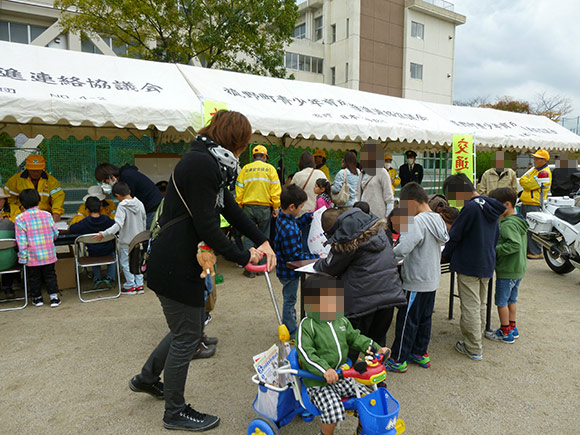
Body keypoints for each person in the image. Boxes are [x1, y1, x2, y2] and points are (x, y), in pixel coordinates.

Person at [129, 110, 276, 432]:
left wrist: (262, 240)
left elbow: (229, 208)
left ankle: (146, 378)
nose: (242, 150)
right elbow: (207, 225)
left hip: (178, 258)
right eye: (243, 143)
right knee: (188, 334)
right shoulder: (201, 164)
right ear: (235, 139)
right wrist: (242, 256)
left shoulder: (210, 162)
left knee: (187, 327)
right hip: (174, 262)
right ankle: (175, 412)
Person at [297, 274, 390, 435]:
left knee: (369, 399)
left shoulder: (341, 320)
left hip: (342, 374)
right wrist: (325, 370)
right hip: (319, 382)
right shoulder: (308, 325)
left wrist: (375, 348)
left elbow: (355, 337)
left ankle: (362, 430)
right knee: (333, 412)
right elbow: (305, 353)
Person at [314, 207, 405, 359]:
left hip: (362, 301)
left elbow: (330, 267)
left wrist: (318, 263)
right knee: (377, 343)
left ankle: (349, 378)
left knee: (353, 342)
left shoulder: (346, 239)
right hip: (389, 295)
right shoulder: (378, 231)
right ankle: (378, 379)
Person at [384, 183, 449, 373]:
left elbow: (404, 248)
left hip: (415, 280)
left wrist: (388, 256)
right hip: (431, 279)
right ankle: (420, 352)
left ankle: (398, 358)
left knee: (406, 320)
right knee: (424, 318)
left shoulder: (416, 221)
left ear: (411, 203)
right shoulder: (437, 218)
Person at [441, 174, 506, 361]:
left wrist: (446, 253)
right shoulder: (490, 205)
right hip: (486, 261)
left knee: (470, 305)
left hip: (468, 263)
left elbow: (455, 236)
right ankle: (477, 339)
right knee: (480, 304)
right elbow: (496, 236)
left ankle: (473, 347)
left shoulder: (470, 208)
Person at [274, 185, 319, 339]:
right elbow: (294, 256)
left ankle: (290, 325)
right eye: (301, 207)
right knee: (290, 301)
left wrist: (307, 217)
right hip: (289, 272)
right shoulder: (289, 229)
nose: (302, 209)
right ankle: (292, 331)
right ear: (292, 207)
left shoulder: (284, 218)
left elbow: (296, 224)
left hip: (283, 269)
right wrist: (313, 256)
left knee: (289, 299)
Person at [485, 187, 528, 343]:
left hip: (507, 270)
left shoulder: (507, 224)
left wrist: (494, 249)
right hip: (518, 268)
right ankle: (512, 327)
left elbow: (514, 244)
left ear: (507, 204)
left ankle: (505, 332)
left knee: (501, 302)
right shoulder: (519, 220)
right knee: (512, 300)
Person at [235, 144, 281, 277]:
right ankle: (263, 268)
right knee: (263, 238)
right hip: (264, 208)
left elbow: (239, 190)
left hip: (248, 207)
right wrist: (276, 207)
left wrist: (239, 206)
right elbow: (276, 191)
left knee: (248, 237)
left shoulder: (245, 169)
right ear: (265, 157)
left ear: (253, 156)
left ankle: (250, 270)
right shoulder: (270, 169)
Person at [96, 181, 146, 295]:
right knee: (138, 262)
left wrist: (104, 233)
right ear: (129, 191)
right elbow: (143, 221)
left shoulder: (122, 206)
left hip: (126, 241)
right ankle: (139, 285)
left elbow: (118, 225)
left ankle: (130, 285)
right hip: (139, 239)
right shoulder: (140, 203)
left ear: (117, 196)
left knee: (126, 263)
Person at [14, 189, 60, 307]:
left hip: (32, 255)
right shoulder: (47, 215)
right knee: (50, 274)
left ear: (21, 203)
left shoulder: (20, 218)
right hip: (48, 253)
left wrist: (22, 257)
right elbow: (55, 232)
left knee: (34, 277)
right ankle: (54, 297)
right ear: (39, 201)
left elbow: (21, 241)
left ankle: (37, 298)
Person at [94, 162, 162, 228]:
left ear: (110, 176)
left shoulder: (127, 177)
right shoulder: (126, 174)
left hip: (153, 209)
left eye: (105, 181)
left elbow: (129, 202)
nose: (107, 183)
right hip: (151, 207)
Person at [69, 196, 116, 288]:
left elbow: (72, 228)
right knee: (113, 255)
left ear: (86, 209)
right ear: (101, 207)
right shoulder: (107, 220)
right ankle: (110, 277)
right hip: (108, 251)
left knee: (94, 252)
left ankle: (97, 278)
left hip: (93, 252)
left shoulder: (84, 222)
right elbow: (116, 228)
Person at [4, 154, 65, 222]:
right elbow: (10, 200)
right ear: (27, 169)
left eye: (38, 170)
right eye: (33, 170)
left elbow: (58, 197)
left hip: (45, 215)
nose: (36, 173)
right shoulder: (15, 180)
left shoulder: (51, 181)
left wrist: (56, 213)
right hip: (22, 215)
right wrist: (17, 214)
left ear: (43, 169)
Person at [519, 149, 552, 259]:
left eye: (537, 158)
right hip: (527, 202)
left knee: (533, 229)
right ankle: (530, 250)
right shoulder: (535, 170)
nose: (534, 160)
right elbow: (523, 180)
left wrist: (526, 181)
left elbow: (528, 184)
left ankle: (536, 252)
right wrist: (526, 181)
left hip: (534, 203)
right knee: (526, 228)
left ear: (543, 160)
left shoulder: (544, 172)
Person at [357, 143, 394, 217]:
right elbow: (357, 193)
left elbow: (389, 199)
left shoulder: (382, 172)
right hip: (362, 214)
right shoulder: (362, 172)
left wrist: (387, 219)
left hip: (377, 215)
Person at [0, 190, 17, 298]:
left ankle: (8, 286)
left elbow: (18, 222)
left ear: (5, 200)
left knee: (9, 254)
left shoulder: (13, 209)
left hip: (9, 247)